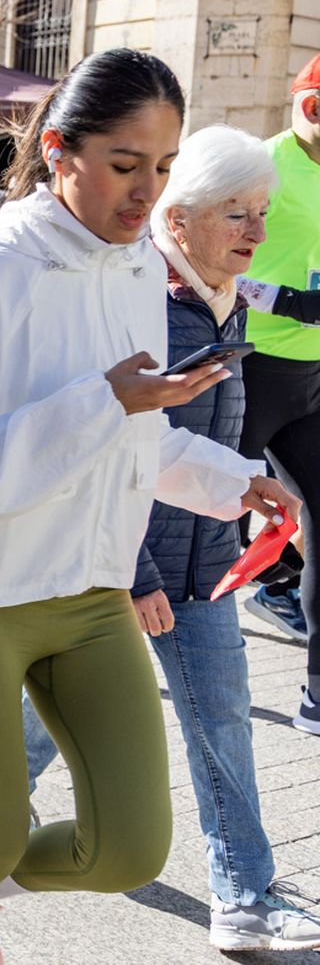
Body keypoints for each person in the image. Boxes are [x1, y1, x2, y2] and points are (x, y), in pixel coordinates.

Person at [0, 49, 298, 965]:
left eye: (164, 166)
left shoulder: (138, 268)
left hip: (90, 592)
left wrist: (235, 481)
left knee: (131, 848)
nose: (147, 193)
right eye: (125, 163)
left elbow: (136, 437)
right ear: (61, 151)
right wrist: (104, 403)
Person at [16, 124, 320, 954]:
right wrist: (136, 570)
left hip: (204, 566)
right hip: (122, 568)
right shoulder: (139, 303)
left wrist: (245, 482)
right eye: (237, 212)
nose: (257, 230)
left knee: (222, 721)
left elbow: (202, 435)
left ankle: (244, 896)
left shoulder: (228, 296)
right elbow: (114, 448)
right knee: (51, 715)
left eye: (262, 211)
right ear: (178, 219)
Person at [238, 52, 320, 735]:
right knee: (206, 526)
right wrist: (285, 300)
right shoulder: (259, 164)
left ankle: (318, 693)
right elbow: (184, 248)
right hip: (248, 370)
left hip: (312, 378)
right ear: (313, 109)